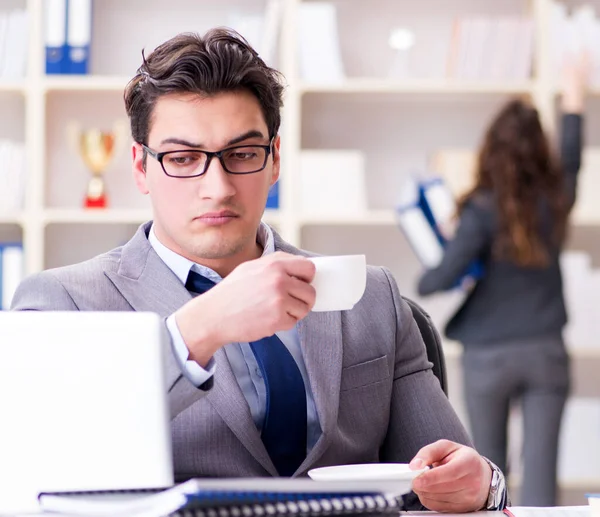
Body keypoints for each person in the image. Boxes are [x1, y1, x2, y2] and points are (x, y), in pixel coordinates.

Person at [12, 28, 507, 512]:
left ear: (273, 161)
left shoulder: (372, 297)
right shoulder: (63, 302)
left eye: (242, 154)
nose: (218, 187)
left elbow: (449, 470)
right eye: (184, 159)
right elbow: (38, 473)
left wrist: (483, 486)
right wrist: (199, 329)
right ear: (141, 167)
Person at [417, 54, 589, 506]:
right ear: (540, 153)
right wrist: (574, 96)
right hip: (546, 351)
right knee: (542, 473)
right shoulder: (556, 199)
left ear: (491, 150)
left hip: (488, 357)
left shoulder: (479, 210)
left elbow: (436, 280)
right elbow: (571, 159)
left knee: (487, 477)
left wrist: (441, 255)